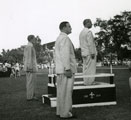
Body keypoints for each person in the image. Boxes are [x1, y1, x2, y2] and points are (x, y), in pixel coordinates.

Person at [55, 21, 77, 119]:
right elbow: (65, 54)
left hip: (60, 69)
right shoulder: (65, 38)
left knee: (61, 92)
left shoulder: (59, 38)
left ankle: (60, 111)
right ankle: (66, 113)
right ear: (64, 28)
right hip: (66, 70)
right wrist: (67, 68)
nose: (71, 28)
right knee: (67, 93)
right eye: (69, 26)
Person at [79, 19, 97, 85]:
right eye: (90, 23)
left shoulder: (81, 33)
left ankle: (86, 81)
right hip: (89, 53)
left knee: (85, 68)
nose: (91, 24)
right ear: (87, 23)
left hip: (84, 53)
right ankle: (91, 82)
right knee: (91, 68)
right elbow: (90, 43)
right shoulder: (88, 32)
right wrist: (92, 52)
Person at [23, 35, 38, 101]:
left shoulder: (29, 46)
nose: (35, 40)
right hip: (30, 67)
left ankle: (32, 95)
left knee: (31, 82)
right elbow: (29, 57)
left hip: (30, 67)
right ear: (31, 39)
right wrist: (29, 67)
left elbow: (25, 58)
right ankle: (30, 97)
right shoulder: (29, 46)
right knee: (30, 82)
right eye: (34, 39)